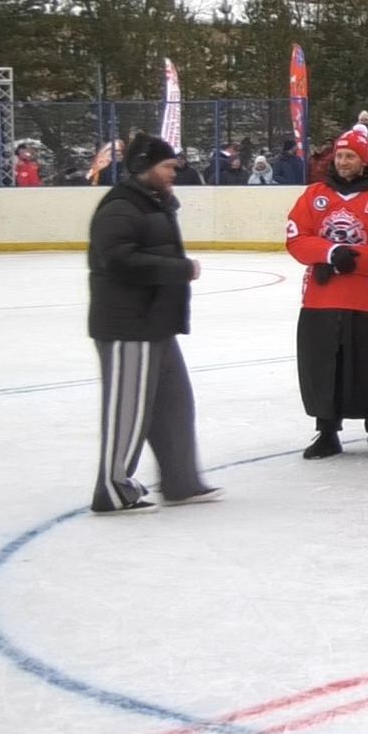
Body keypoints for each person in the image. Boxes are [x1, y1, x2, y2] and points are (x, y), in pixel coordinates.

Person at [86, 134, 216, 513]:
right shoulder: (121, 208)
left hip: (156, 322)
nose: (175, 171)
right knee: (127, 410)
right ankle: (112, 489)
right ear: (144, 167)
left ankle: (181, 482)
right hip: (129, 326)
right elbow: (118, 260)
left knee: (174, 403)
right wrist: (180, 269)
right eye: (167, 166)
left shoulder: (152, 204)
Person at [286, 126, 368, 460]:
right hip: (320, 301)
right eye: (339, 155)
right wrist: (330, 253)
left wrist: (348, 258)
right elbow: (297, 237)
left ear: (364, 161)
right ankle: (327, 432)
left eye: (350, 156)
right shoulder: (314, 195)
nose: (343, 161)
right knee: (323, 369)